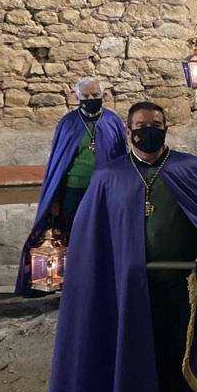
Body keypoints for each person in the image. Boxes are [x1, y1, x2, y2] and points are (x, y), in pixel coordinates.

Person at [44, 101, 197, 392]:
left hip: (185, 284)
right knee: (143, 354)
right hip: (131, 288)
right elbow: (92, 237)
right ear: (129, 132)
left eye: (156, 124)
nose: (149, 131)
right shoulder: (108, 176)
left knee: (192, 353)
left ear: (166, 127)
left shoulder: (187, 167)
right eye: (142, 125)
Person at [16, 76, 126, 295]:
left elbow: (121, 158)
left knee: (103, 234)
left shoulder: (112, 121)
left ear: (103, 95)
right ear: (77, 97)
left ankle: (101, 279)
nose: (91, 99)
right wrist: (55, 198)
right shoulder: (68, 123)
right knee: (74, 236)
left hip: (104, 191)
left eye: (95, 95)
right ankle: (74, 282)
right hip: (73, 191)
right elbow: (58, 163)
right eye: (85, 96)